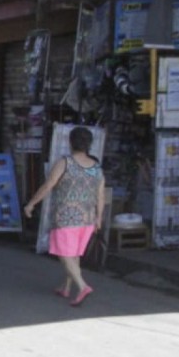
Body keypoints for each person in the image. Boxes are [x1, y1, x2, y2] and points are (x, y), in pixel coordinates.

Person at [23, 127, 106, 306]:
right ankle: (66, 287)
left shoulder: (65, 163)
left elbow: (48, 185)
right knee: (74, 254)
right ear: (89, 144)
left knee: (64, 253)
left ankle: (82, 286)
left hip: (66, 217)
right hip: (88, 218)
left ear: (71, 142)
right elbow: (101, 195)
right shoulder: (96, 167)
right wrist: (99, 217)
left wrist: (31, 204)